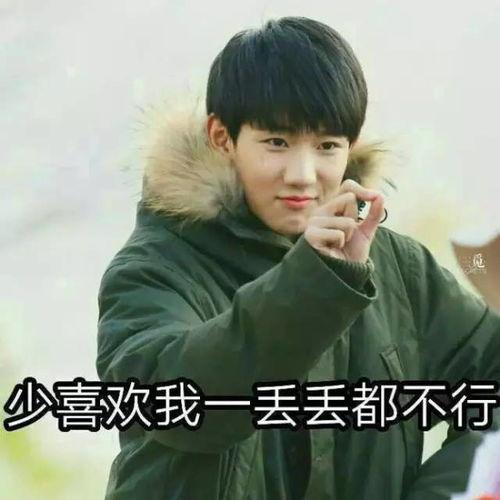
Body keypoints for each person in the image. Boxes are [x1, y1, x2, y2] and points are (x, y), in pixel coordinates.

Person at [96, 16, 500, 499]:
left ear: (350, 146)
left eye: (327, 146)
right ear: (222, 137)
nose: (303, 175)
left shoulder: (399, 268)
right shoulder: (155, 269)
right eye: (277, 143)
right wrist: (317, 280)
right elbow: (178, 407)